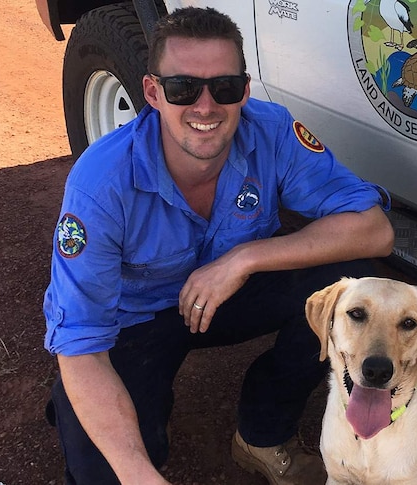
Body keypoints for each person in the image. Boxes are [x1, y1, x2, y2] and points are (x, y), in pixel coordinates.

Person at [42, 7, 394, 485]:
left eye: (224, 88)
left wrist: (243, 258)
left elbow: (374, 230)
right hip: (136, 319)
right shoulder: (100, 183)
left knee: (350, 286)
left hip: (227, 292)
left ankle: (263, 435)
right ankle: (91, 408)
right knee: (107, 469)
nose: (205, 107)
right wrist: (136, 473)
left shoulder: (271, 130)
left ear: (244, 91)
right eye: (183, 88)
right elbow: (81, 343)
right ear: (152, 93)